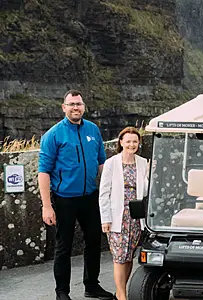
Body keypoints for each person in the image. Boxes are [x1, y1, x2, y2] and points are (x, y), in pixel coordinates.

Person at [38, 90, 114, 300]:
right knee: (64, 246)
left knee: (94, 241)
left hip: (90, 196)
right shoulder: (53, 135)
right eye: (71, 104)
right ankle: (61, 292)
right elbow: (43, 172)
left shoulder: (93, 129)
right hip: (64, 199)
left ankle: (91, 285)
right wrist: (47, 206)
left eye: (78, 104)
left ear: (83, 106)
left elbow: (102, 164)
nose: (75, 108)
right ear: (64, 107)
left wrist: (114, 190)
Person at [98, 127, 149, 300]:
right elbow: (104, 192)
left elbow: (146, 189)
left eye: (135, 141)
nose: (131, 144)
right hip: (117, 217)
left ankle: (121, 290)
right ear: (121, 142)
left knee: (128, 257)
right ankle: (121, 295)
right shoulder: (112, 162)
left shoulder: (143, 162)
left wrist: (151, 173)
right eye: (128, 141)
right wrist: (105, 219)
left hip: (135, 216)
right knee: (119, 256)